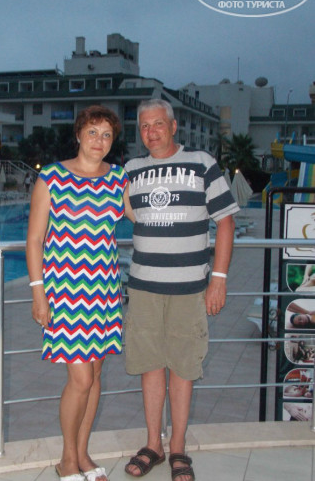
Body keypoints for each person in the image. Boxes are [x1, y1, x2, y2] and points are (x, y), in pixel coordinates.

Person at [123, 99, 239, 481]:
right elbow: (117, 211)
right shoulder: (131, 171)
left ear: (174, 127)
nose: (151, 131)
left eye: (158, 123)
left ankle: (177, 448)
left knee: (184, 368)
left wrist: (218, 278)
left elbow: (225, 222)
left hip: (189, 288)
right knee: (150, 365)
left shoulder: (202, 163)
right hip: (144, 287)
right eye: (144, 126)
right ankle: (153, 444)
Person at [26, 105, 132, 481]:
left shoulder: (119, 179)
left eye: (107, 135)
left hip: (104, 291)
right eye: (92, 132)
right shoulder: (52, 177)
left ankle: (83, 454)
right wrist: (38, 294)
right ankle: (67, 460)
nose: (99, 141)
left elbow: (143, 216)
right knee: (81, 379)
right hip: (65, 294)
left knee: (96, 375)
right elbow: (35, 240)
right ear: (78, 135)